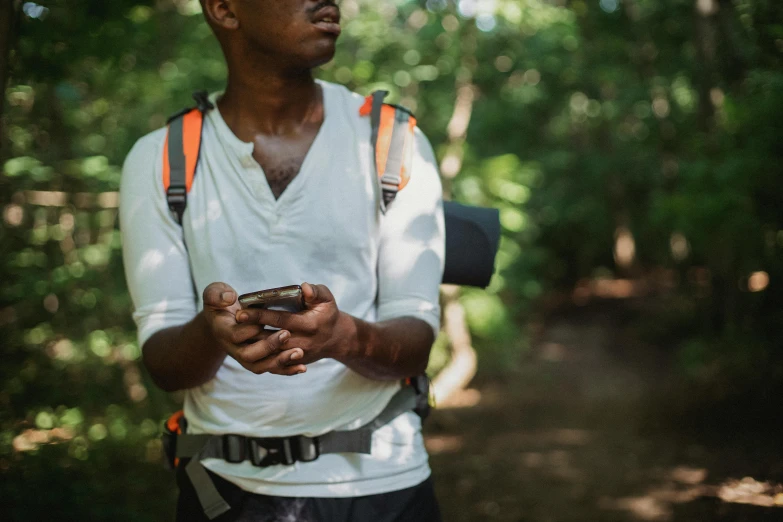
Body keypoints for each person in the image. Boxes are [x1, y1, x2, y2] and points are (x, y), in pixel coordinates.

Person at [119, 1, 445, 521]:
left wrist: (340, 337)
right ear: (224, 9)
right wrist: (212, 331)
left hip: (385, 484)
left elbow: (417, 340)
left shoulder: (393, 142)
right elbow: (162, 360)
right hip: (224, 491)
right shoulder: (162, 159)